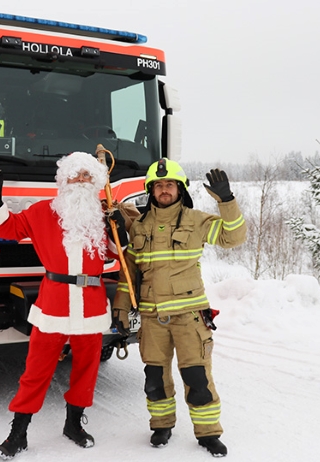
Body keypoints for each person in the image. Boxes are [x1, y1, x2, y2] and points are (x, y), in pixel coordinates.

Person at [0, 152, 128, 459]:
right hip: (54, 302)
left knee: (87, 369)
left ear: (96, 182)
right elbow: (7, 229)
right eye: (75, 175)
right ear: (64, 180)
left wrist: (119, 226)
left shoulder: (101, 216)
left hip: (91, 303)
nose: (81, 180)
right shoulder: (43, 211)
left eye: (87, 176)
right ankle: (18, 433)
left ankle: (74, 424)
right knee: (36, 370)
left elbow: (117, 252)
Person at [111, 159, 246, 457]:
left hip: (190, 317)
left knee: (197, 377)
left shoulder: (196, 221)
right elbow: (128, 273)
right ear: (150, 190)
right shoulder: (139, 227)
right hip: (152, 318)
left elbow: (233, 237)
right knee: (155, 378)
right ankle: (161, 425)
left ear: (180, 188)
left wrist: (226, 200)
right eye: (158, 185)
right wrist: (120, 309)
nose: (164, 190)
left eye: (169, 184)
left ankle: (208, 433)